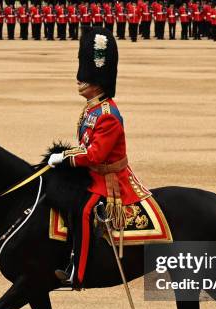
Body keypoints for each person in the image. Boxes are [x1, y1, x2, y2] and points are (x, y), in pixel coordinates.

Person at [47, 27, 150, 285]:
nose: (79, 81)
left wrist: (66, 158)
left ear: (98, 83)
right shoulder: (91, 109)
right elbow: (85, 145)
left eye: (86, 79)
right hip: (93, 172)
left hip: (109, 178)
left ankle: (77, 272)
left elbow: (94, 155)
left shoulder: (107, 115)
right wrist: (64, 155)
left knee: (82, 210)